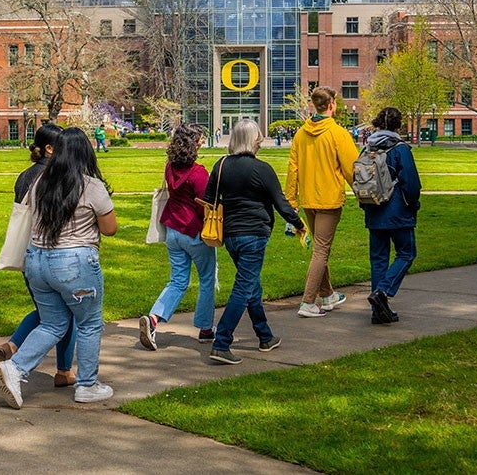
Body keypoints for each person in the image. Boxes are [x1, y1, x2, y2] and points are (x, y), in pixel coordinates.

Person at [0, 127, 118, 408]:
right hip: (75, 263)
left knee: (52, 323)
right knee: (88, 324)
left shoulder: (39, 183)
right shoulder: (91, 186)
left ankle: (16, 367)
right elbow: (110, 229)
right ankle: (87, 384)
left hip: (38, 260)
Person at [206, 120, 305, 365]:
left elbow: (209, 199)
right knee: (243, 288)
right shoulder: (263, 170)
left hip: (230, 235)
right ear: (255, 140)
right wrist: (299, 223)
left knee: (251, 285)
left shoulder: (221, 165)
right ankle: (222, 342)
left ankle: (265, 335)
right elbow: (281, 204)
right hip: (254, 234)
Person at [0, 124, 76, 388]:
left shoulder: (24, 177)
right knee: (65, 316)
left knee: (46, 310)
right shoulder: (56, 177)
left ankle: (14, 343)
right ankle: (63, 370)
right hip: (55, 253)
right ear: (50, 149)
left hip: (29, 256)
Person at [138, 123, 217, 350]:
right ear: (193, 143)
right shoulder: (198, 173)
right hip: (194, 232)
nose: (203, 141)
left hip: (173, 230)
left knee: (178, 281)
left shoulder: (169, 167)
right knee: (206, 279)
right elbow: (206, 205)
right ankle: (205, 327)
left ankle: (154, 318)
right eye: (200, 139)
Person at [285, 86, 359, 319]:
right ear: (331, 104)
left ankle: (327, 295)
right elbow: (352, 169)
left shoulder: (300, 134)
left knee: (319, 248)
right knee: (321, 251)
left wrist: (291, 200)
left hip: (309, 199)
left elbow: (292, 169)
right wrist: (363, 194)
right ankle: (308, 302)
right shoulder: (338, 134)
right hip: (328, 200)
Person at [361, 108, 421, 325]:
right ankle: (383, 292)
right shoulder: (400, 149)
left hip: (374, 209)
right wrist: (414, 205)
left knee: (378, 259)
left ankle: (378, 311)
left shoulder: (367, 148)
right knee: (406, 253)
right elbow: (411, 184)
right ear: (398, 125)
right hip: (398, 211)